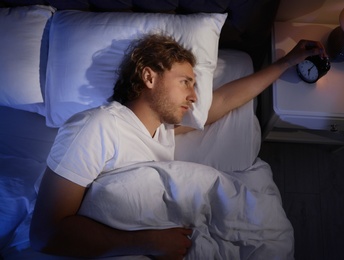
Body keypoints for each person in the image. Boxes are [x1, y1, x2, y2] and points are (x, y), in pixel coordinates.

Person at [30, 34, 326, 259]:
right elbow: (45, 234)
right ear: (149, 77)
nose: (194, 96)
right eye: (185, 82)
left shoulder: (162, 130)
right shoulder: (97, 127)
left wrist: (286, 62)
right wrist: (148, 242)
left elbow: (223, 101)